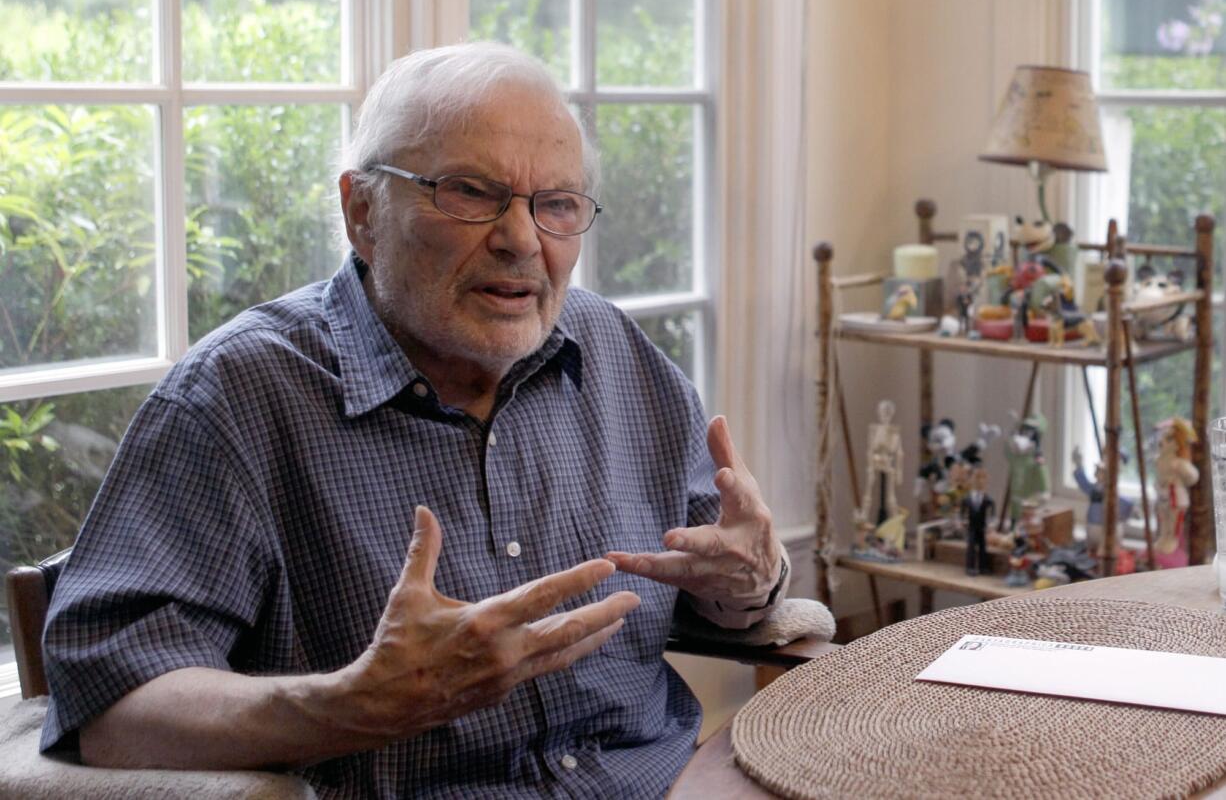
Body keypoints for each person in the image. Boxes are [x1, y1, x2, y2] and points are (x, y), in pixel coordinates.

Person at [39, 42, 789, 798]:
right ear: (362, 211)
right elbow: (108, 708)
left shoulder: (614, 351)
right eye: (470, 192)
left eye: (556, 204)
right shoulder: (236, 397)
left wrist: (749, 583)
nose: (522, 239)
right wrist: (351, 706)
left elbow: (717, 575)